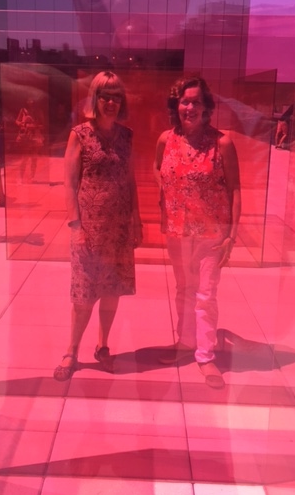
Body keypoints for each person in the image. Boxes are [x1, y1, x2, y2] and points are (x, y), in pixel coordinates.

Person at [53, 70, 143, 381]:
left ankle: (103, 346)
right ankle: (71, 350)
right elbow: (69, 183)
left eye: (116, 96)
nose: (111, 102)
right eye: (105, 95)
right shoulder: (80, 134)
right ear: (95, 98)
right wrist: (75, 226)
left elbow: (130, 181)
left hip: (118, 230)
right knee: (83, 295)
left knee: (112, 291)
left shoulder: (127, 135)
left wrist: (137, 220)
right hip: (88, 231)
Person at [154, 76, 241, 388]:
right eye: (184, 101)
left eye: (196, 101)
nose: (189, 106)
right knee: (183, 289)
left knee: (205, 294)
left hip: (211, 233)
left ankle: (205, 355)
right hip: (177, 231)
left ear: (207, 108)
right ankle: (185, 343)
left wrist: (231, 235)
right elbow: (157, 168)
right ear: (176, 105)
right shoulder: (166, 140)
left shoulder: (222, 143)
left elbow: (234, 189)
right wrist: (167, 200)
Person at [15, 98, 43, 183]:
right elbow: (17, 121)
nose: (30, 102)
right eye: (28, 100)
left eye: (32, 100)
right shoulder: (23, 110)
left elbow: (43, 125)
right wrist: (22, 124)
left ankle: (32, 177)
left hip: (35, 136)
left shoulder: (38, 111)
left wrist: (34, 126)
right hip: (25, 136)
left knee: (34, 158)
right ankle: (21, 177)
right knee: (24, 158)